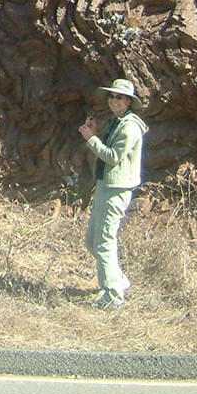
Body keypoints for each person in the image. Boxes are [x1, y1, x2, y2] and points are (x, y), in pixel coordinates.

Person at [78, 77, 148, 309]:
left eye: (119, 97)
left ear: (128, 101)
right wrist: (95, 133)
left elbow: (112, 157)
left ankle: (113, 296)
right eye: (111, 96)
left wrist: (91, 139)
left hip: (117, 189)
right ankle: (117, 280)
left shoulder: (129, 126)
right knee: (92, 241)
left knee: (104, 242)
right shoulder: (117, 121)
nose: (113, 100)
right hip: (106, 185)